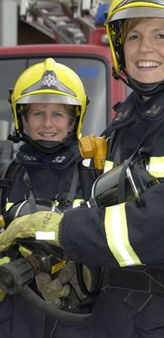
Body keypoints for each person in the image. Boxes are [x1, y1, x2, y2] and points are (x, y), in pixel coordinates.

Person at [1, 0, 164, 336]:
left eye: (161, 35)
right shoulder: (123, 124)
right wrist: (71, 269)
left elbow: (163, 227)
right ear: (119, 45)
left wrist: (61, 228)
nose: (145, 49)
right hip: (115, 319)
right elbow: (105, 217)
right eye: (134, 36)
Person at [0, 57, 100, 338]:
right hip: (14, 317)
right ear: (22, 118)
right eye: (37, 114)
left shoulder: (93, 178)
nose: (47, 124)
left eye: (58, 114)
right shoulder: (6, 176)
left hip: (77, 318)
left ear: (73, 121)